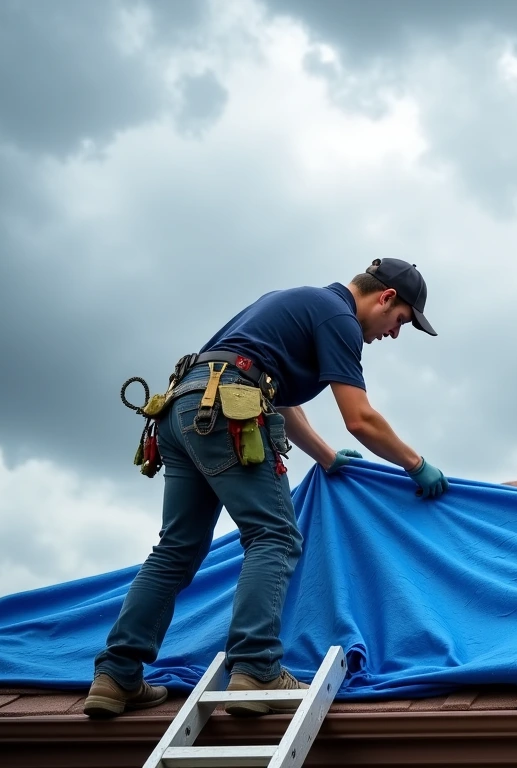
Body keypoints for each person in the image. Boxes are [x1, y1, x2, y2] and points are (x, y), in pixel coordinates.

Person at [84, 258, 448, 718]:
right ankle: (256, 668)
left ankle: (116, 674)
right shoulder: (340, 319)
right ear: (386, 297)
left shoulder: (296, 303)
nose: (394, 334)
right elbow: (359, 419)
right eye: (400, 321)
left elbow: (271, 392)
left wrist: (326, 457)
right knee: (274, 536)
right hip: (226, 410)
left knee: (176, 549)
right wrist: (416, 464)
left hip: (182, 410)